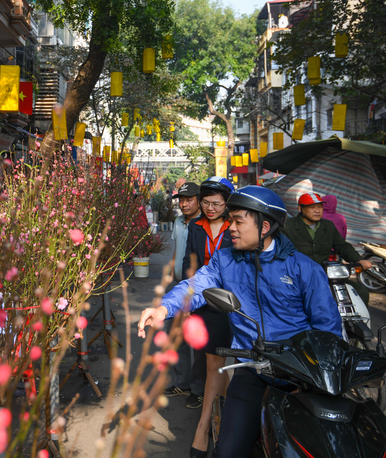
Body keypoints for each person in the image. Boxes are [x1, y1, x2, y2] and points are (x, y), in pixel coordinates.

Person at [138, 186, 342, 457]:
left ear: (265, 226)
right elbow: (196, 286)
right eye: (229, 220)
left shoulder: (305, 269)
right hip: (252, 369)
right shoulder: (224, 260)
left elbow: (328, 329)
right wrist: (164, 308)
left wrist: (320, 374)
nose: (230, 227)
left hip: (300, 374)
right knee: (229, 451)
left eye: (237, 221)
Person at [181, 177, 234, 455]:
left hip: (232, 300)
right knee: (214, 360)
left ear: (227, 204)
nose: (210, 208)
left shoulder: (234, 226)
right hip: (204, 300)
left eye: (216, 203)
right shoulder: (195, 226)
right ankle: (218, 417)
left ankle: (210, 424)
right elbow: (191, 261)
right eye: (206, 202)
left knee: (217, 362)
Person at [282, 192, 372, 304]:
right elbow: (281, 251)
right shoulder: (288, 226)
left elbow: (342, 245)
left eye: (320, 207)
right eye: (312, 207)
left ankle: (358, 321)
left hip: (325, 274)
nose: (317, 210)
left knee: (360, 292)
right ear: (300, 208)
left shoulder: (328, 226)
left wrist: (358, 259)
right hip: (298, 276)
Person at [164, 182, 205, 407]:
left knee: (197, 340)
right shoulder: (179, 222)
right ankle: (183, 382)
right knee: (175, 335)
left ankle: (198, 390)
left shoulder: (205, 223)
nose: (184, 203)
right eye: (181, 199)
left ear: (199, 200)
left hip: (198, 289)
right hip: (179, 285)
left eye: (189, 199)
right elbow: (176, 252)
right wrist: (171, 279)